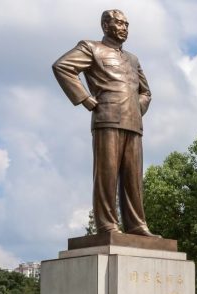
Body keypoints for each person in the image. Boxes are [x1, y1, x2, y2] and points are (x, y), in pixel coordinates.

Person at [53, 10, 157, 236]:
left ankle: (137, 224)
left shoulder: (133, 59)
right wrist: (85, 98)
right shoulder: (91, 48)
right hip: (107, 118)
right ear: (105, 25)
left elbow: (146, 92)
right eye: (119, 23)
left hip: (134, 123)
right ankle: (107, 224)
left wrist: (137, 108)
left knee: (133, 178)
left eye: (126, 24)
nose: (124, 28)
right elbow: (62, 66)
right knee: (107, 175)